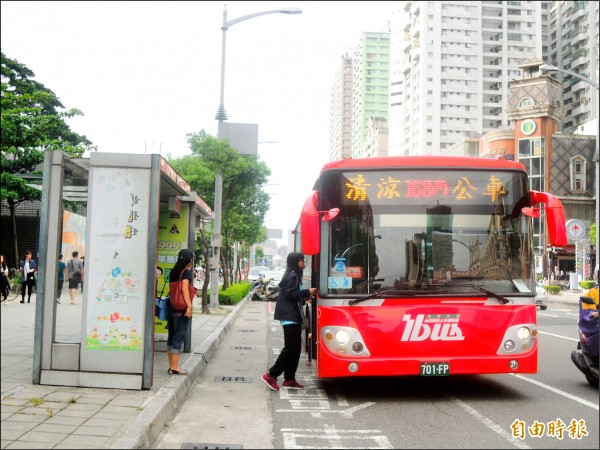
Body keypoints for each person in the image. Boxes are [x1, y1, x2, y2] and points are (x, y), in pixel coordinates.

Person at [262, 252, 316, 391]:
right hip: (289, 317)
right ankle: (271, 375)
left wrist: (304, 297)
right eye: (302, 260)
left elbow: (291, 296)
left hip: (292, 316)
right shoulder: (293, 276)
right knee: (290, 349)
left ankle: (289, 378)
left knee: (296, 349)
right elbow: (290, 294)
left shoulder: (293, 275)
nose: (304, 263)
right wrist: (307, 292)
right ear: (296, 262)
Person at [166, 249, 194, 375]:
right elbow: (184, 290)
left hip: (171, 307)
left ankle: (171, 365)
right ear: (190, 260)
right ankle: (175, 367)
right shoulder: (186, 272)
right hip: (181, 309)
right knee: (178, 337)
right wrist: (189, 306)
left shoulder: (173, 271)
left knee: (171, 337)